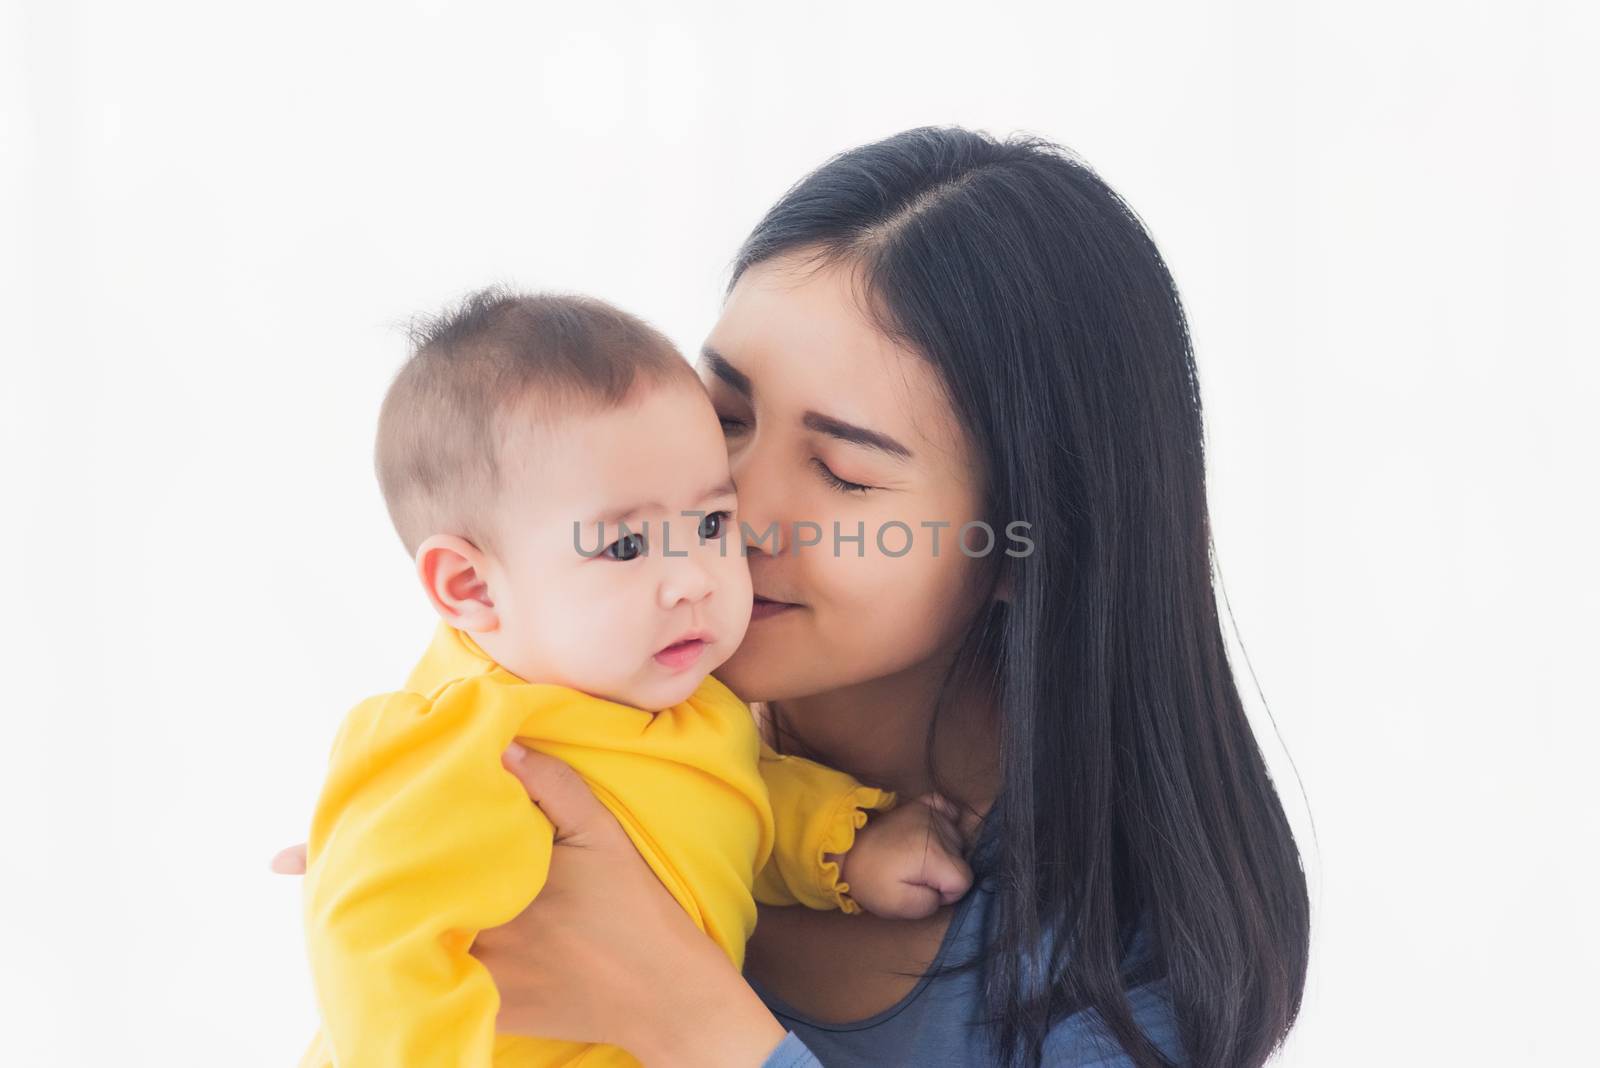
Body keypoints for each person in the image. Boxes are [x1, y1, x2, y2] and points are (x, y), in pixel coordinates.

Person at [276, 125, 1311, 1068]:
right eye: (724, 414)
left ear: (1021, 546)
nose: (729, 510)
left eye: (847, 474)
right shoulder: (560, 711)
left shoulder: (1115, 977)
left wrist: (695, 1023)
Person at [294, 291, 974, 1068]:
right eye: (624, 549)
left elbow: (730, 797)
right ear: (471, 589)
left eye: (711, 525)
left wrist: (847, 845)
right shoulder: (465, 743)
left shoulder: (682, 709)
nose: (695, 578)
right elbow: (371, 942)